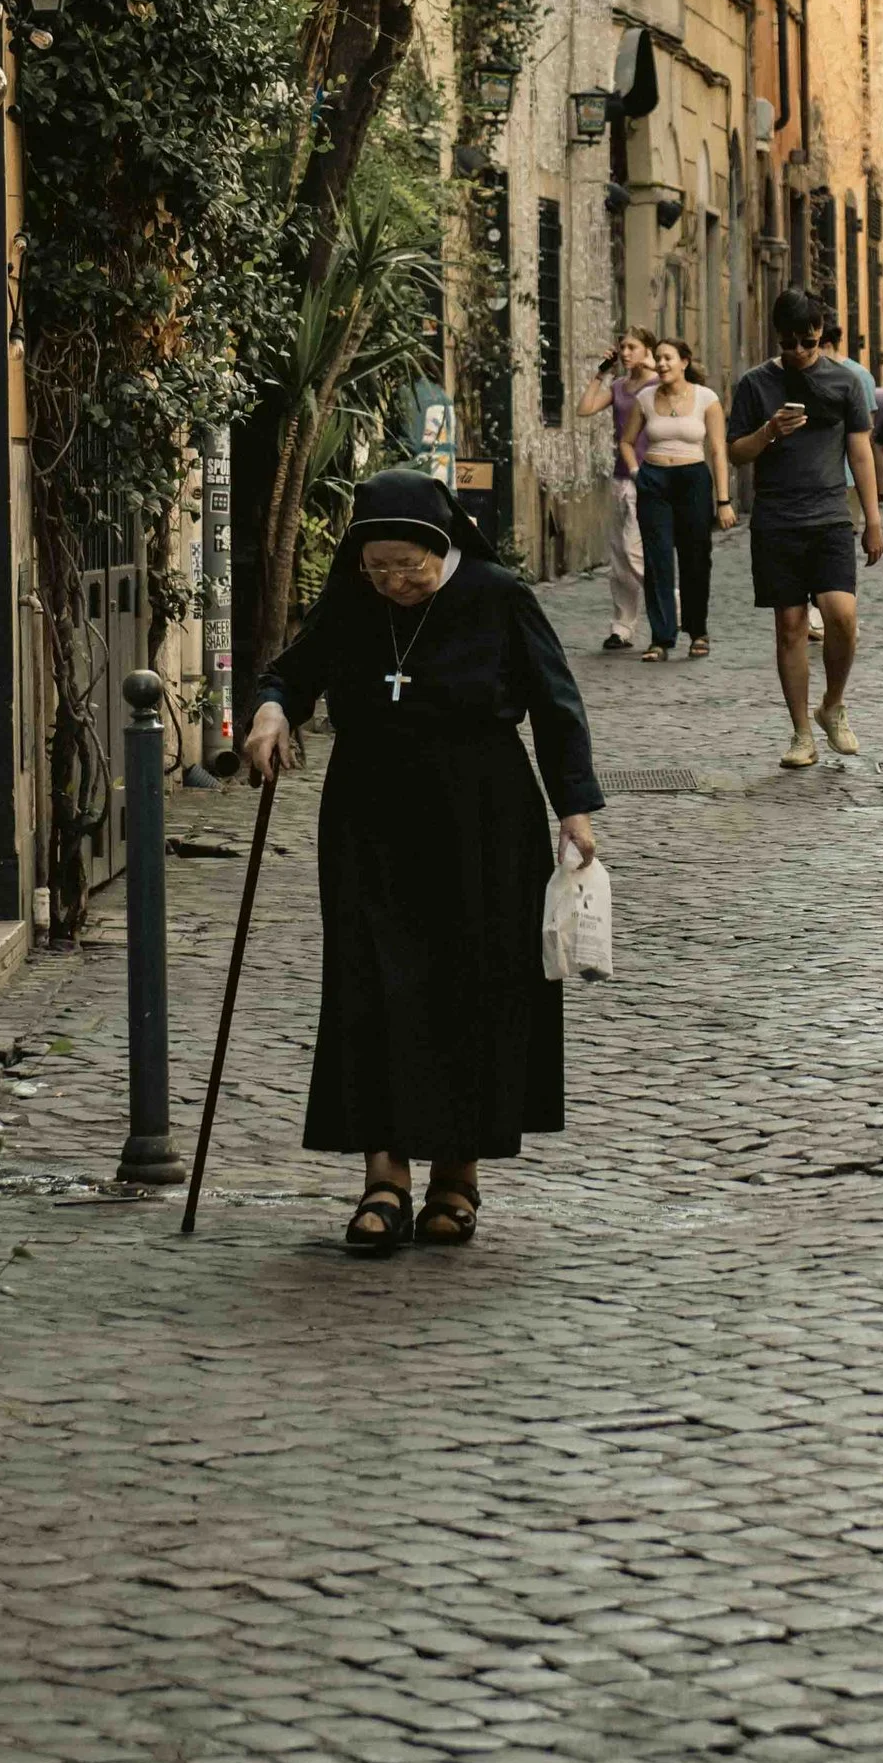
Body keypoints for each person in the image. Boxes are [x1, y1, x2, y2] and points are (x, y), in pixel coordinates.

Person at [240, 470, 603, 1257]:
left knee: (473, 986)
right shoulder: (353, 597)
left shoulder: (499, 596)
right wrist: (271, 711)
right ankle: (384, 1180)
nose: (394, 583)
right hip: (368, 815)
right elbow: (292, 672)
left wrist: (574, 808)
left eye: (410, 568)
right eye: (378, 569)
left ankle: (455, 1180)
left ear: (444, 548)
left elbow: (556, 701)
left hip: (483, 815)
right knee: (372, 984)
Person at [730, 285, 883, 767]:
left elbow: (860, 452)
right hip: (777, 519)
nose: (797, 350)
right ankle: (801, 734)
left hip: (830, 515)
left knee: (842, 615)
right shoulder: (755, 385)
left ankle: (832, 705)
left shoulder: (845, 382)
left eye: (807, 341)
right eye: (788, 342)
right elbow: (736, 453)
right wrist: (769, 431)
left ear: (821, 331)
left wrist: (873, 519)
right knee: (791, 626)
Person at [618, 337, 735, 658]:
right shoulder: (645, 398)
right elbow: (627, 442)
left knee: (695, 557)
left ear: (684, 362)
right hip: (654, 481)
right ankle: (661, 638)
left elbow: (718, 450)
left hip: (693, 480)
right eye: (658, 358)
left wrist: (723, 500)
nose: (662, 363)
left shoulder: (706, 398)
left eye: (668, 357)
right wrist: (636, 473)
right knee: (657, 560)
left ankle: (698, 631)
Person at [576, 330, 654, 651]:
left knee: (634, 550)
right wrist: (602, 372)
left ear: (647, 350)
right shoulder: (620, 386)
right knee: (620, 559)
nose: (625, 352)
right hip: (620, 478)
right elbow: (584, 408)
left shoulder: (657, 385)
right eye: (622, 347)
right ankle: (622, 628)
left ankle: (671, 602)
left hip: (647, 477)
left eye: (632, 347)